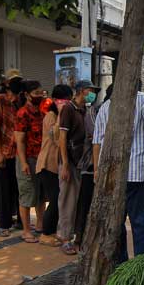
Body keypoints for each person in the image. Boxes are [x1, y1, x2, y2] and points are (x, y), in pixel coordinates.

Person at [93, 82, 144, 261]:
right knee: (140, 222)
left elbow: (96, 141)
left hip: (110, 175)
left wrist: (97, 170)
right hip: (136, 175)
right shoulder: (143, 99)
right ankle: (141, 265)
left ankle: (121, 265)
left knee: (115, 222)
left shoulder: (107, 105)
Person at [58, 80, 99, 254]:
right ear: (82, 91)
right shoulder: (69, 109)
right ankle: (65, 238)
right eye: (90, 90)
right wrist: (65, 164)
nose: (92, 94)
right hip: (71, 162)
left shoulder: (86, 110)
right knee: (68, 200)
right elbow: (62, 138)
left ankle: (75, 236)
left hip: (82, 162)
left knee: (78, 202)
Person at [36, 84, 73, 246]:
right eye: (65, 99)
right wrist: (60, 116)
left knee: (59, 198)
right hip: (47, 164)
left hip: (54, 163)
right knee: (55, 199)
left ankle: (53, 230)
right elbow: (56, 137)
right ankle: (45, 233)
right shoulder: (51, 116)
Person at [0, 69, 22, 236]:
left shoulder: (22, 99)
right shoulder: (0, 100)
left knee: (21, 187)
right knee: (5, 189)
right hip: (5, 149)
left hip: (21, 152)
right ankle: (4, 223)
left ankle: (22, 221)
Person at [14, 80, 47, 243]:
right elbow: (19, 140)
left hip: (41, 159)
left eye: (41, 93)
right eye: (36, 93)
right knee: (27, 194)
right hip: (27, 158)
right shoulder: (22, 113)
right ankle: (26, 229)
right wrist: (24, 162)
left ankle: (40, 225)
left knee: (41, 194)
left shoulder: (42, 112)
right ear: (27, 95)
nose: (40, 96)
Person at [75, 83, 107, 244]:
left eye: (95, 91)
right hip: (90, 165)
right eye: (91, 90)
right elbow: (97, 135)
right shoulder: (92, 112)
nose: (93, 93)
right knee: (85, 203)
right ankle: (79, 237)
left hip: (103, 165)